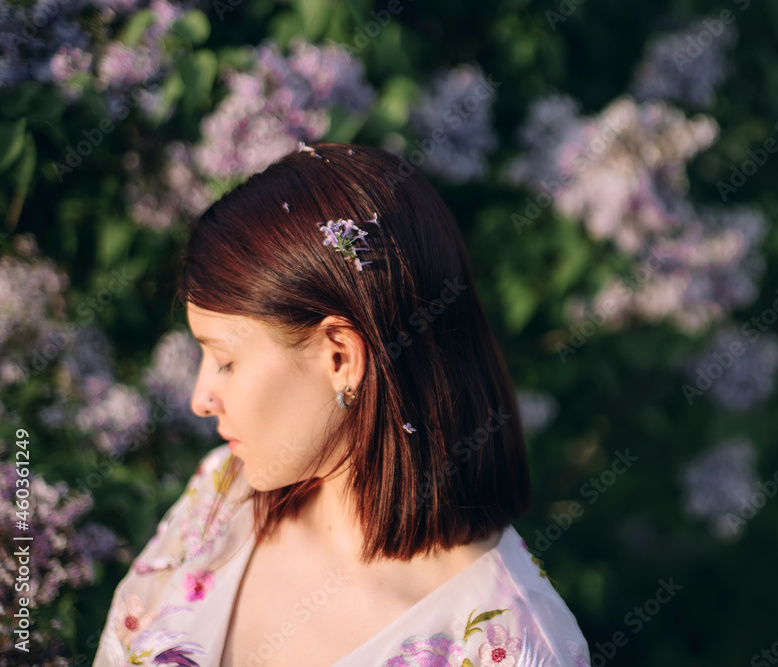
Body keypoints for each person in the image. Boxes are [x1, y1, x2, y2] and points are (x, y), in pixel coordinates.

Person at [93, 142, 592, 666]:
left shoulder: (508, 645)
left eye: (225, 361)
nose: (200, 399)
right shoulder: (221, 494)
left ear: (339, 358)